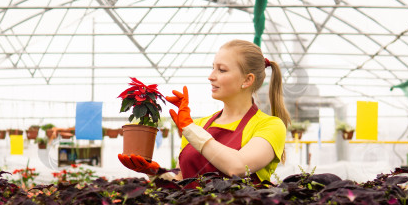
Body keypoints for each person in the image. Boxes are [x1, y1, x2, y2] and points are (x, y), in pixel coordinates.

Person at [118, 39, 290, 183]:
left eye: (221, 70)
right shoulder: (199, 126)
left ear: (247, 80)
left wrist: (190, 128)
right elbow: (182, 182)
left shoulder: (270, 126)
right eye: (213, 67)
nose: (211, 76)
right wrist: (154, 172)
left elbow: (238, 167)